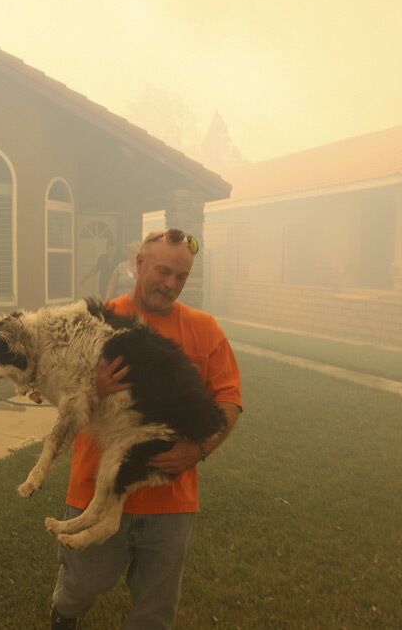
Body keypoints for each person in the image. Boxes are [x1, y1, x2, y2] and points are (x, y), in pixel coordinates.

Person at [51, 228, 243, 629]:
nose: (171, 284)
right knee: (82, 585)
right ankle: (63, 615)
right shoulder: (98, 320)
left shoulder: (204, 330)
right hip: (95, 489)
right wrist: (94, 386)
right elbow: (53, 391)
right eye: (163, 271)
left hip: (171, 502)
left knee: (155, 612)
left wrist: (200, 449)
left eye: (181, 277)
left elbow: (229, 399)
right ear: (139, 265)